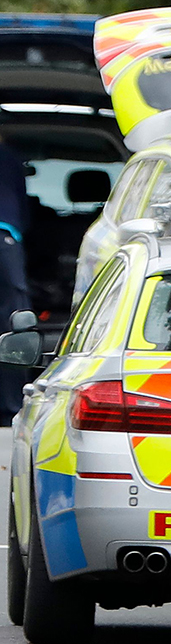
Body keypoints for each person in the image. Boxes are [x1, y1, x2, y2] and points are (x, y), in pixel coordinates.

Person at [0, 134, 31, 426]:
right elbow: (23, 210)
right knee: (13, 325)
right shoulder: (8, 158)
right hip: (5, 237)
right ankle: (11, 408)